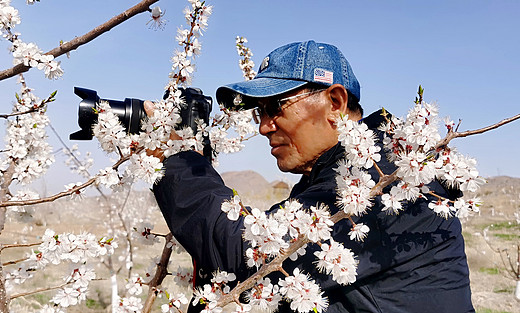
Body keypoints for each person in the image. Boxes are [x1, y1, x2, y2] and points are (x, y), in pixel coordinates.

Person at [149, 40, 475, 313]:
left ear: (335, 103)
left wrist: (177, 159)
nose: (263, 127)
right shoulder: (329, 178)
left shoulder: (385, 180)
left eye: (276, 106)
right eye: (259, 112)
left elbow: (247, 255)